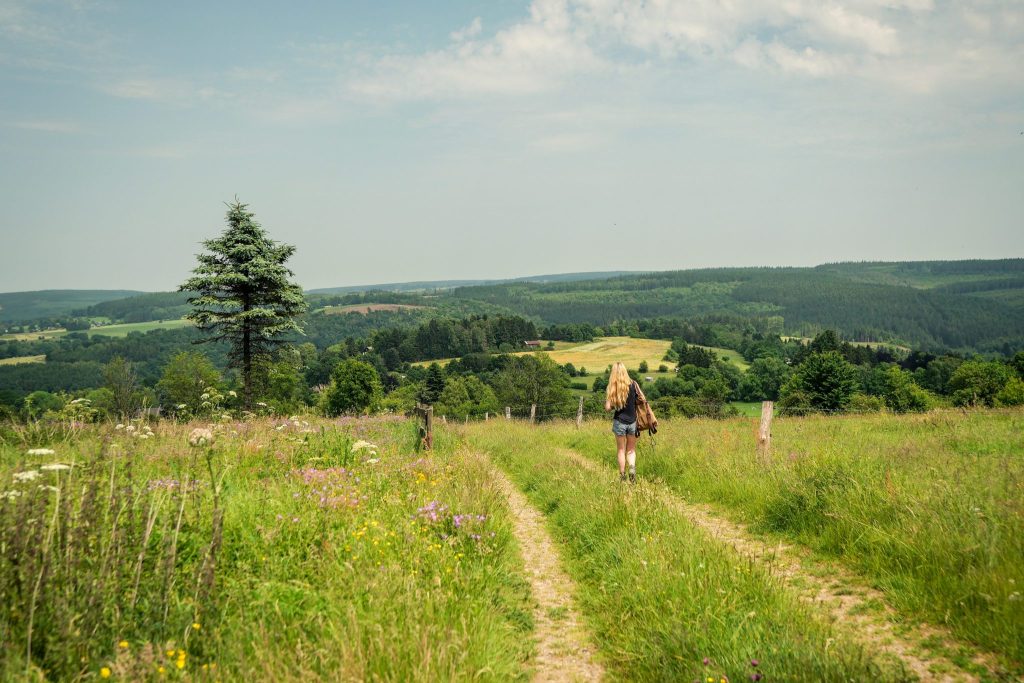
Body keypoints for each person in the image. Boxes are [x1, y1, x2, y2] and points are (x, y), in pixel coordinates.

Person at [604, 362, 637, 482]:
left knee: (621, 450)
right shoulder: (633, 384)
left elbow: (607, 408)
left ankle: (622, 476)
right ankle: (632, 468)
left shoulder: (613, 387)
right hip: (633, 421)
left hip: (620, 422)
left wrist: (615, 404)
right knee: (631, 450)